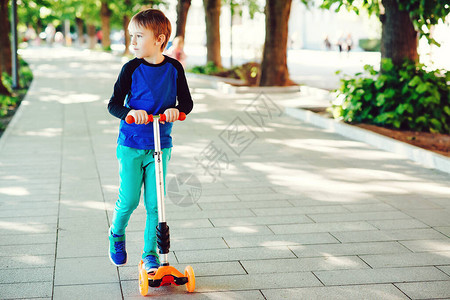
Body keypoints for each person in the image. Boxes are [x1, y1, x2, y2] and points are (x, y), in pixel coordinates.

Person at [107, 8, 193, 274]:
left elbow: (187, 103)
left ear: (159, 39)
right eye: (131, 36)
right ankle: (116, 233)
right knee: (130, 199)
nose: (132, 41)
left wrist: (176, 111)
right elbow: (113, 104)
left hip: (160, 145)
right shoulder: (130, 68)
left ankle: (150, 253)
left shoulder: (174, 68)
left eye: (139, 36)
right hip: (132, 143)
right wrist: (131, 113)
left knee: (157, 204)